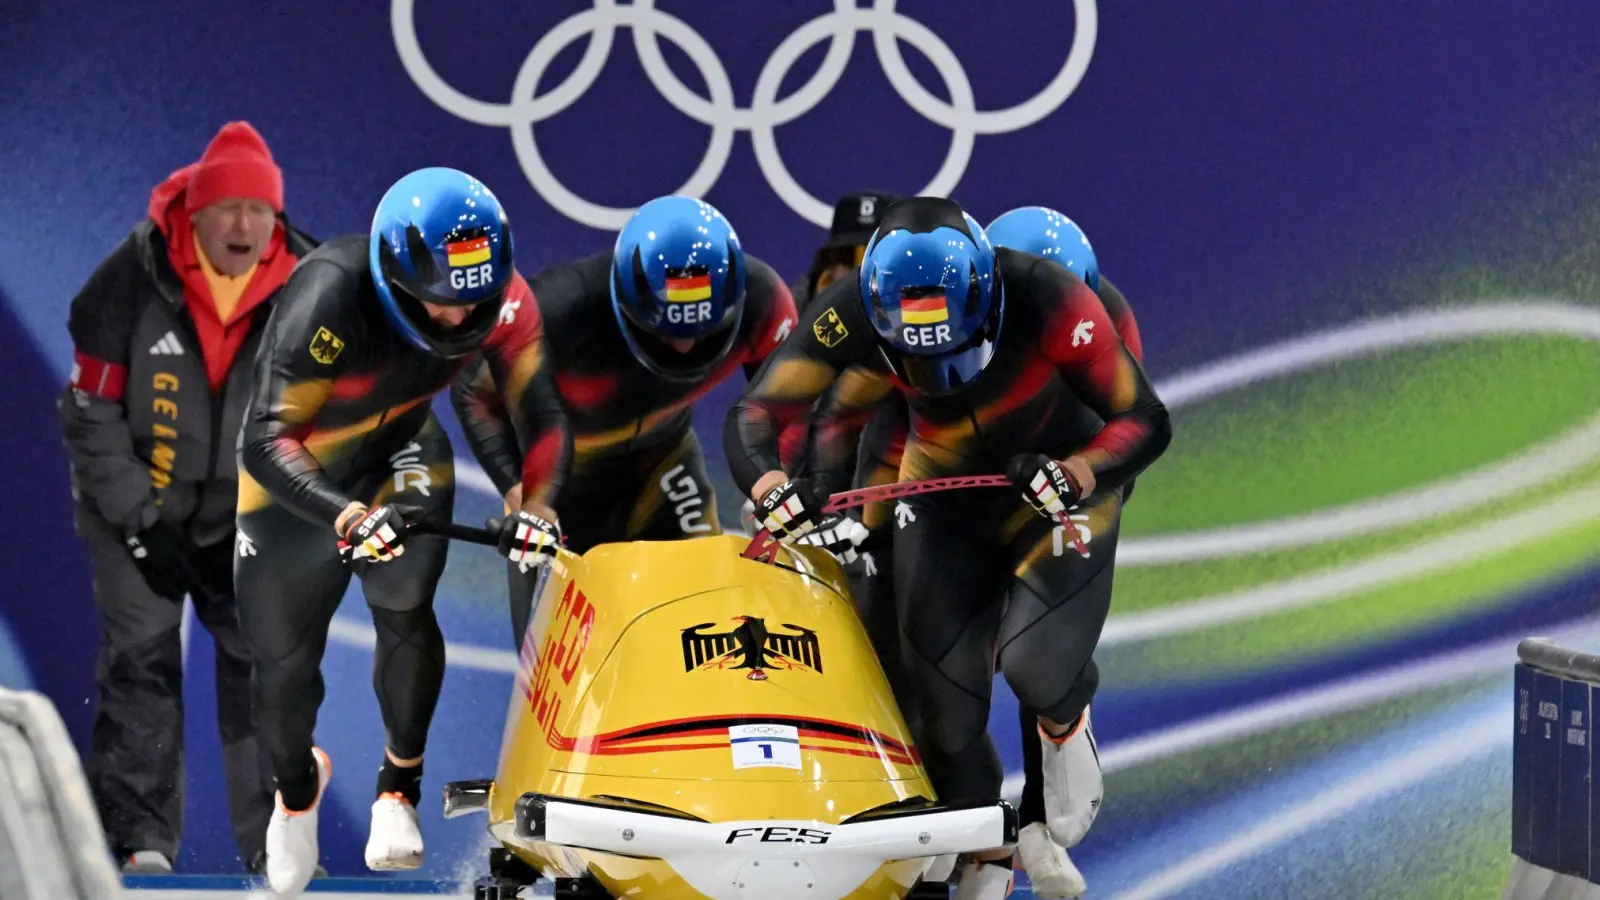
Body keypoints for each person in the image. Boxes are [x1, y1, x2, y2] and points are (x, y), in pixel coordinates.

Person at [723, 197, 1171, 899]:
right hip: (944, 491)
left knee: (1034, 663)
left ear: (984, 298)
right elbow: (765, 412)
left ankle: (1063, 718)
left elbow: (1142, 420)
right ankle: (981, 845)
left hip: (1054, 488)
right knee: (945, 709)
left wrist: (1078, 475)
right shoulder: (852, 311)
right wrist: (780, 485)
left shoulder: (1050, 297)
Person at [233, 167, 571, 897]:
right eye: (438, 301)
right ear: (395, 274)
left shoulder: (504, 297)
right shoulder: (328, 293)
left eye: (472, 298)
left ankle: (399, 789)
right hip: (296, 476)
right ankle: (296, 794)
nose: (457, 318)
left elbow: (541, 414)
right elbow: (264, 440)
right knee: (283, 670)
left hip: (402, 451)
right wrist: (346, 516)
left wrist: (536, 503)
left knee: (405, 594)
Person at [57, 121, 316, 875]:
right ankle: (140, 847)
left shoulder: (309, 286)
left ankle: (275, 852)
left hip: (250, 518)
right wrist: (139, 520)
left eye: (257, 210)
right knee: (141, 664)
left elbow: (331, 413)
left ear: (277, 219)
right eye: (226, 208)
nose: (241, 226)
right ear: (194, 215)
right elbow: (88, 410)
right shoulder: (125, 280)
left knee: (265, 668)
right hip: (134, 507)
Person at [451, 195, 797, 644]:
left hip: (663, 466)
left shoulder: (763, 300)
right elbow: (474, 393)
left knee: (704, 622)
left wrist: (777, 485)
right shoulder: (558, 308)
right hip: (557, 489)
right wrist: (518, 490)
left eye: (703, 328)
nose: (686, 347)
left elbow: (790, 406)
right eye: (668, 329)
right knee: (560, 654)